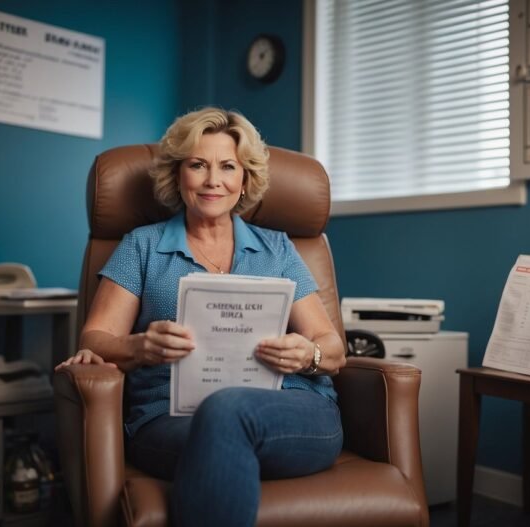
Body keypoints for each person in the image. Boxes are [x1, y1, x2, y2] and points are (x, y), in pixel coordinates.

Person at [55, 107, 346, 526]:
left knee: (228, 413)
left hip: (293, 411)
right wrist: (140, 346)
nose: (213, 180)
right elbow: (95, 338)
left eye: (228, 166)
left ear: (244, 178)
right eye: (198, 165)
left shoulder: (279, 248)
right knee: (223, 418)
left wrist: (308, 355)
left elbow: (333, 347)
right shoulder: (141, 245)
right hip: (172, 418)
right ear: (177, 175)